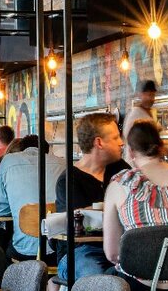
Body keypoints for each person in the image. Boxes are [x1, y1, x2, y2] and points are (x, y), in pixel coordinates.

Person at [103, 121, 168, 290]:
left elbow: (112, 253)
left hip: (140, 285)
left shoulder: (121, 184)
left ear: (130, 151)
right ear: (161, 146)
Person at [54, 113, 129, 282]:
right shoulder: (69, 180)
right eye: (116, 137)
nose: (121, 142)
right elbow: (81, 224)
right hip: (79, 252)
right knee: (97, 278)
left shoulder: (120, 169)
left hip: (121, 247)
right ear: (99, 142)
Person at [0, 134, 66, 261]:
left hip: (23, 250)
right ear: (48, 151)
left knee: (3, 249)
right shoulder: (63, 164)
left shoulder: (8, 161)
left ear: (22, 150)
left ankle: (15, 278)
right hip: (57, 249)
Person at [122, 80, 160, 164]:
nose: (150, 98)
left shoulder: (150, 113)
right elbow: (128, 136)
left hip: (148, 162)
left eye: (153, 95)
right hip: (136, 162)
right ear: (141, 95)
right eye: (148, 95)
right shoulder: (135, 113)